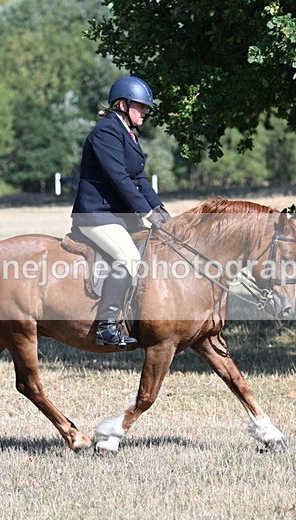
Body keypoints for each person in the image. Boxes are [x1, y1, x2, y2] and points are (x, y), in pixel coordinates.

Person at [71, 76, 171, 347]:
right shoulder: (106, 132)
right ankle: (106, 325)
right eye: (141, 106)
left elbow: (138, 178)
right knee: (128, 258)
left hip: (115, 217)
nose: (146, 111)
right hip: (96, 215)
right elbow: (119, 178)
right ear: (122, 104)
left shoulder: (127, 133)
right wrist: (144, 212)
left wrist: (159, 209)